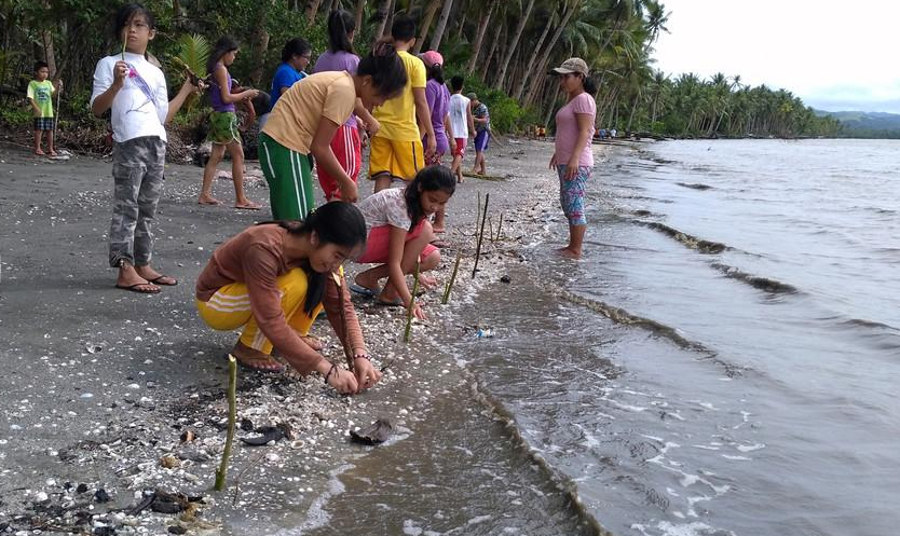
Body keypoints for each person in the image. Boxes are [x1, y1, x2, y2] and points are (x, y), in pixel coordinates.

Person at [196, 202, 382, 394]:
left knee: (325, 279)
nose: (337, 262)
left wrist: (360, 354)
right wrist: (327, 369)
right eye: (337, 255)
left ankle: (291, 338)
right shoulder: (264, 247)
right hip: (216, 301)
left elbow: (341, 307)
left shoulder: (319, 255)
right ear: (315, 237)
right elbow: (270, 318)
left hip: (251, 296)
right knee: (295, 281)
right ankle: (249, 348)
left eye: (343, 258)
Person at [90, 2, 197, 293]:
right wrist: (116, 84)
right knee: (127, 206)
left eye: (139, 25)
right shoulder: (109, 64)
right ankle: (125, 267)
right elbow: (98, 109)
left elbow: (164, 116)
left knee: (148, 208)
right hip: (129, 141)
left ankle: (142, 262)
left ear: (151, 33)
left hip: (156, 141)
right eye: (127, 25)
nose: (132, 30)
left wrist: (186, 90)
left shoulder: (156, 73)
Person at [260, 42, 407, 220]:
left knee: (297, 219)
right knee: (296, 224)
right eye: (381, 96)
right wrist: (346, 182)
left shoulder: (344, 84)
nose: (381, 103)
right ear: (367, 81)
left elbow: (323, 141)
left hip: (286, 144)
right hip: (285, 145)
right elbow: (320, 147)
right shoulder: (344, 91)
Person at [351, 165, 455, 320]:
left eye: (441, 203)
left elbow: (407, 250)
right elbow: (395, 261)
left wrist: (417, 274)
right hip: (357, 244)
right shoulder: (400, 204)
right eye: (432, 200)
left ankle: (370, 278)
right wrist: (410, 301)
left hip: (374, 240)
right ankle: (390, 294)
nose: (435, 207)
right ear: (420, 187)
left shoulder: (416, 203)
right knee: (426, 230)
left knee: (432, 257)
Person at [312, 9, 380, 201]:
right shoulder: (353, 61)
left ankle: (332, 222)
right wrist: (369, 119)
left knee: (331, 183)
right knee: (347, 179)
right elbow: (354, 97)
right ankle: (339, 225)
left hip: (321, 127)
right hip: (344, 126)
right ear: (352, 32)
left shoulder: (321, 59)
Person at [369, 15, 436, 193]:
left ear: (393, 35)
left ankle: (378, 218)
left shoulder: (380, 60)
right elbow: (421, 102)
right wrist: (430, 134)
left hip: (379, 126)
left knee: (382, 175)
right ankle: (419, 218)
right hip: (404, 129)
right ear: (412, 41)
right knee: (416, 179)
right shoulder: (415, 64)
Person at [198, 35, 262, 209]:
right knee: (238, 155)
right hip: (225, 116)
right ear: (225, 52)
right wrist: (245, 95)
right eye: (233, 54)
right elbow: (226, 98)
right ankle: (241, 198)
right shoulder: (221, 70)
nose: (234, 58)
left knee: (217, 155)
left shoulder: (216, 68)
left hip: (218, 116)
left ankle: (204, 194)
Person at [548, 57, 597, 259]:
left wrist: (574, 158)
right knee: (567, 201)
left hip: (577, 161)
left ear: (580, 77)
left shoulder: (584, 99)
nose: (563, 82)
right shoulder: (573, 100)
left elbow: (586, 131)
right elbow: (569, 131)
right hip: (567, 159)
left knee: (574, 203)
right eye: (561, 78)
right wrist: (557, 154)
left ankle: (576, 249)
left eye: (566, 77)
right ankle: (572, 245)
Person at [421, 51, 453, 235]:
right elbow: (444, 116)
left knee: (428, 183)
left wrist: (420, 139)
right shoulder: (443, 87)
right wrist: (450, 138)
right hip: (440, 137)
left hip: (430, 139)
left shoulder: (430, 87)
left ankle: (436, 222)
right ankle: (437, 221)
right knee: (436, 181)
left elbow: (427, 114)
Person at [259, 37, 312, 129]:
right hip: (281, 123)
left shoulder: (295, 73)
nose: (308, 62)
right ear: (294, 56)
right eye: (306, 57)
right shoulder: (286, 72)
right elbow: (288, 99)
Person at [27, 61, 62, 156]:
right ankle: (38, 148)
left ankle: (50, 148)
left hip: (48, 111)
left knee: (49, 130)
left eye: (46, 72)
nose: (45, 74)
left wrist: (58, 88)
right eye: (42, 71)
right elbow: (30, 98)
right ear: (36, 72)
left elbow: (53, 95)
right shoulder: (33, 84)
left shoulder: (48, 83)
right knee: (39, 130)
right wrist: (36, 108)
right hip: (39, 111)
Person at [448, 75, 475, 184]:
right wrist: (473, 130)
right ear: (462, 86)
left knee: (455, 155)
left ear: (451, 86)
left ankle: (460, 176)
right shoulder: (466, 100)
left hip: (450, 131)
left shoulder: (448, 98)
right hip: (461, 131)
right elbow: (469, 117)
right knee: (459, 154)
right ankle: (450, 175)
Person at [469, 92, 490, 176]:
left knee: (479, 150)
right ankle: (483, 170)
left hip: (484, 131)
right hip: (478, 131)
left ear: (474, 100)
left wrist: (474, 119)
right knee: (479, 150)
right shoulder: (474, 108)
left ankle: (476, 168)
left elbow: (485, 120)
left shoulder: (482, 107)